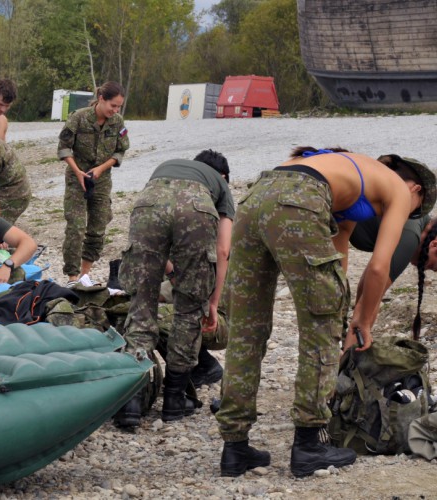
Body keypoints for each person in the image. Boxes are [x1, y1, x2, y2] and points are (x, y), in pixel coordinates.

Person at [217, 147, 424, 478]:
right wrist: (363, 322)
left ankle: (234, 447)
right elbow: (378, 268)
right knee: (319, 328)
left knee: (247, 328)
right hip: (299, 197)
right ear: (417, 191)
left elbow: (337, 250)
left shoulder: (353, 176)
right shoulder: (400, 189)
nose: (407, 216)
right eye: (416, 211)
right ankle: (309, 444)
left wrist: (342, 313)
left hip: (256, 197)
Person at [112, 150, 234, 428]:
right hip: (196, 212)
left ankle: (131, 401)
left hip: (147, 205)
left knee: (141, 305)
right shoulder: (220, 184)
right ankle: (174, 400)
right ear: (223, 176)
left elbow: (160, 237)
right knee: (189, 310)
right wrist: (212, 302)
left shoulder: (168, 167)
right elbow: (223, 250)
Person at [348, 154, 436, 338]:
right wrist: (357, 345)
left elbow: (366, 289)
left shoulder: (413, 224)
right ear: (435, 245)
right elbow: (368, 304)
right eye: (434, 266)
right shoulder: (410, 235)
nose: (428, 269)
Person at [58, 81, 129, 285]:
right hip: (76, 179)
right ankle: (72, 277)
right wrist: (77, 171)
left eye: (118, 107)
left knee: (98, 228)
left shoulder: (117, 122)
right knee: (76, 226)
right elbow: (64, 148)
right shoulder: (79, 117)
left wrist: (100, 169)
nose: (115, 110)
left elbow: (120, 150)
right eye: (112, 105)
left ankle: (85, 274)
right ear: (101, 99)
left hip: (101, 180)